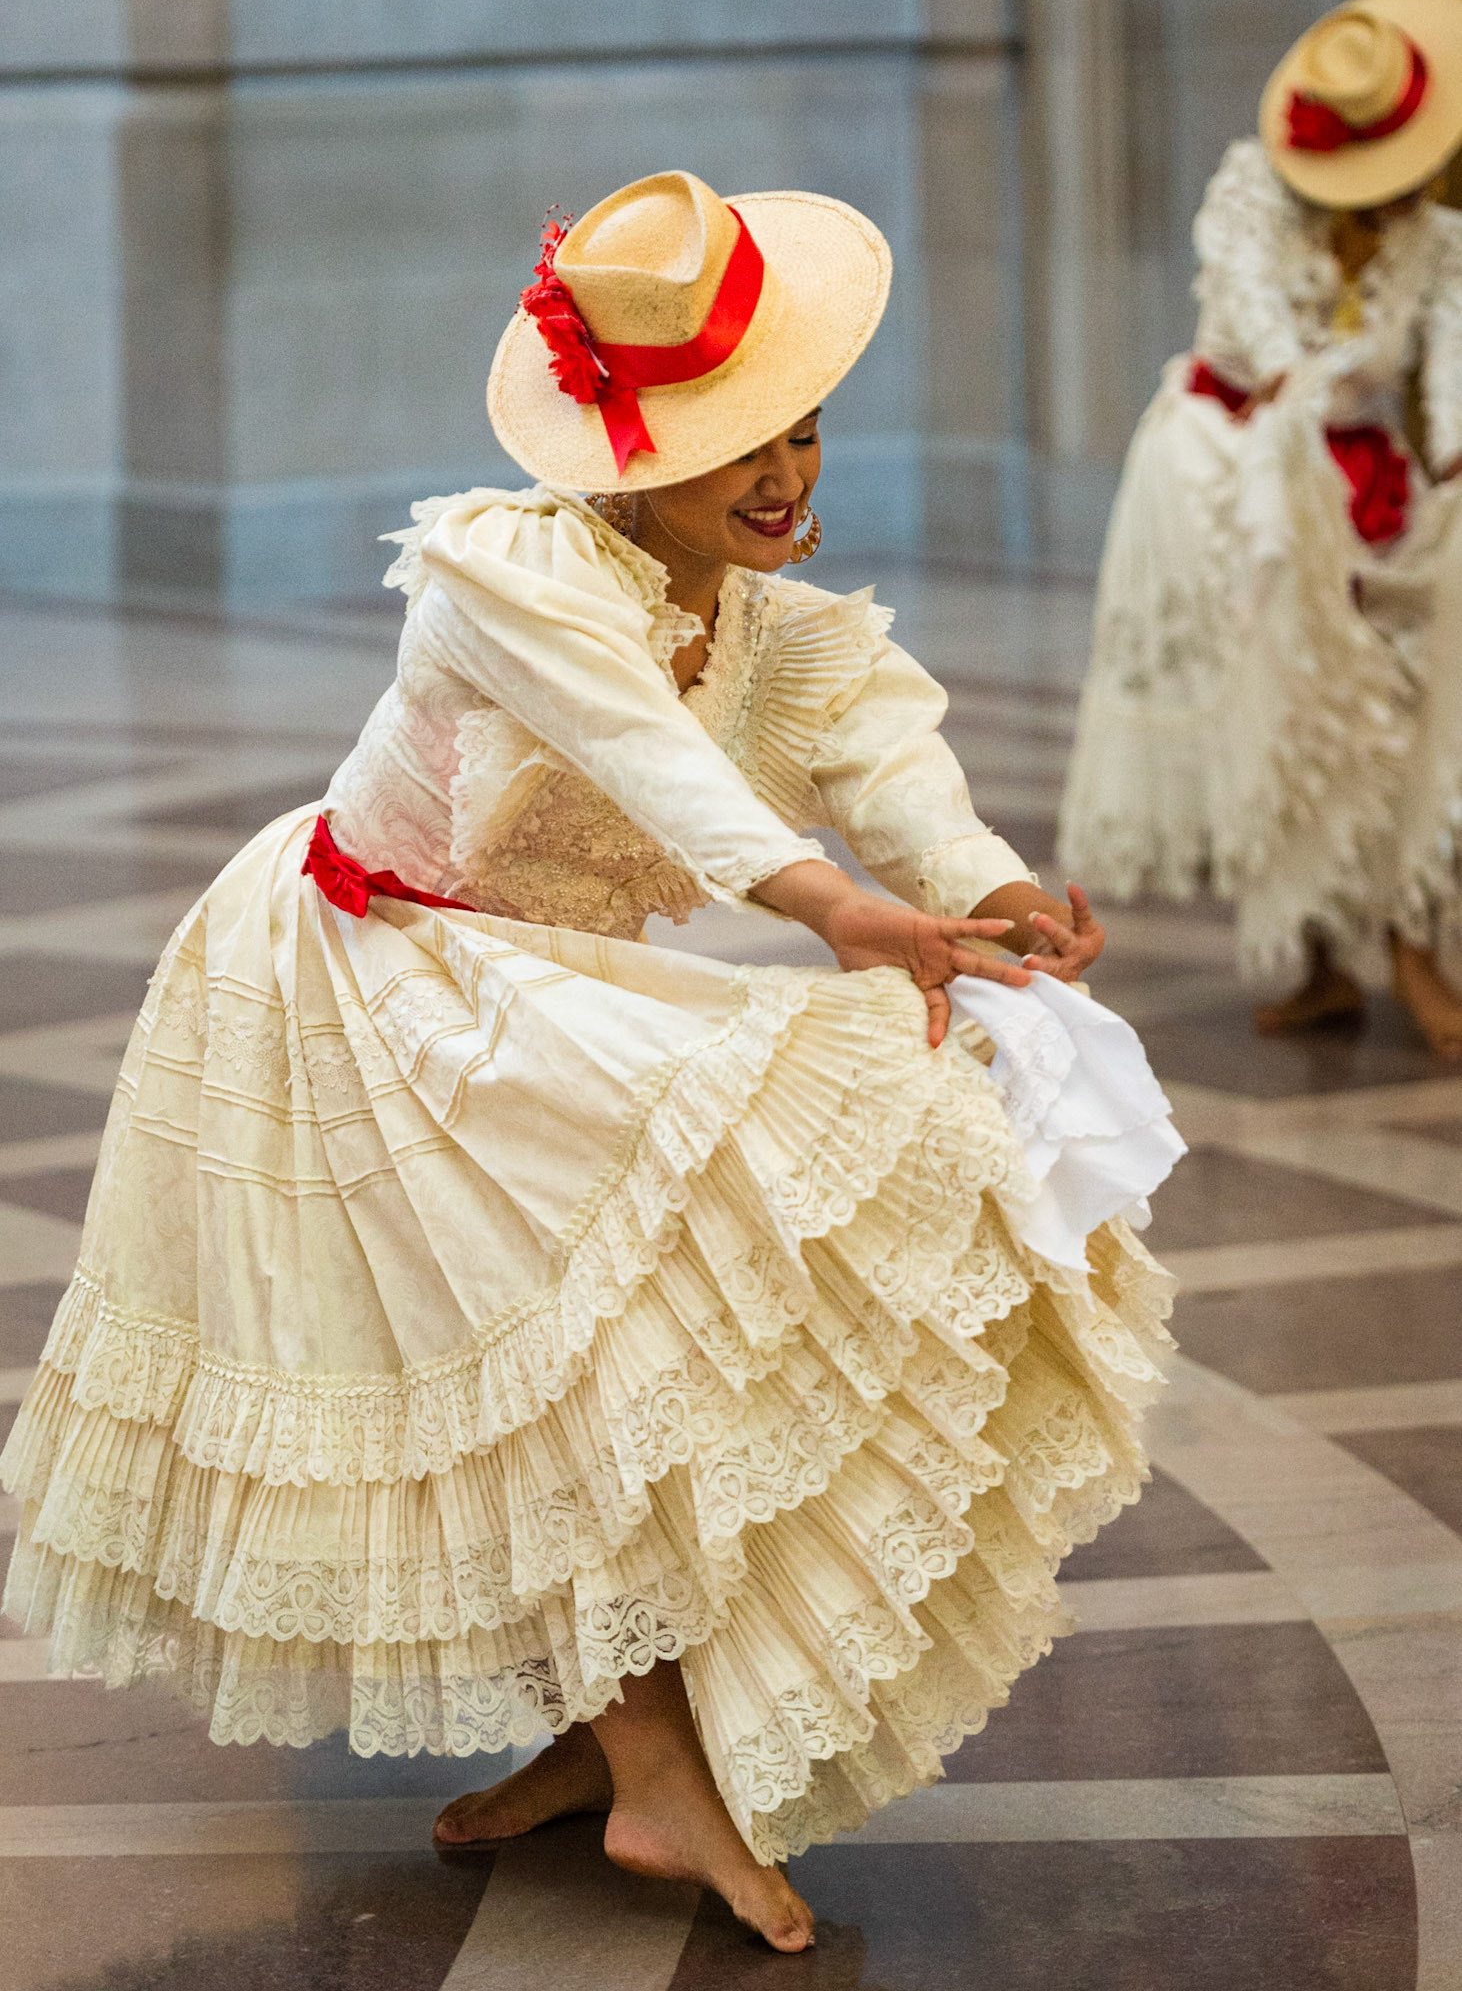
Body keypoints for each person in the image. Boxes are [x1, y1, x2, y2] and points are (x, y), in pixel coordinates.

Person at [0, 171, 1180, 1954]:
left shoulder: (782, 624)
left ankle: (607, 1740)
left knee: (652, 1345)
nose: (784, 479)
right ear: (630, 464)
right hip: (360, 976)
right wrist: (831, 909)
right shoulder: (509, 571)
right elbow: (660, 765)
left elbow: (887, 761)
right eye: (738, 456)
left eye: (797, 434)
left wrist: (987, 890)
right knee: (548, 1373)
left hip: (519, 990)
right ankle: (649, 1771)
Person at [1058, 0, 1462, 1056]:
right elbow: (1259, 339)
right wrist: (1299, 409)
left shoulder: (1437, 242)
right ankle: (1323, 955)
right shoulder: (1247, 190)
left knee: (1397, 702)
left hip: (1363, 486)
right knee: (1287, 708)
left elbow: (1451, 366)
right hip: (1226, 474)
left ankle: (1410, 938)